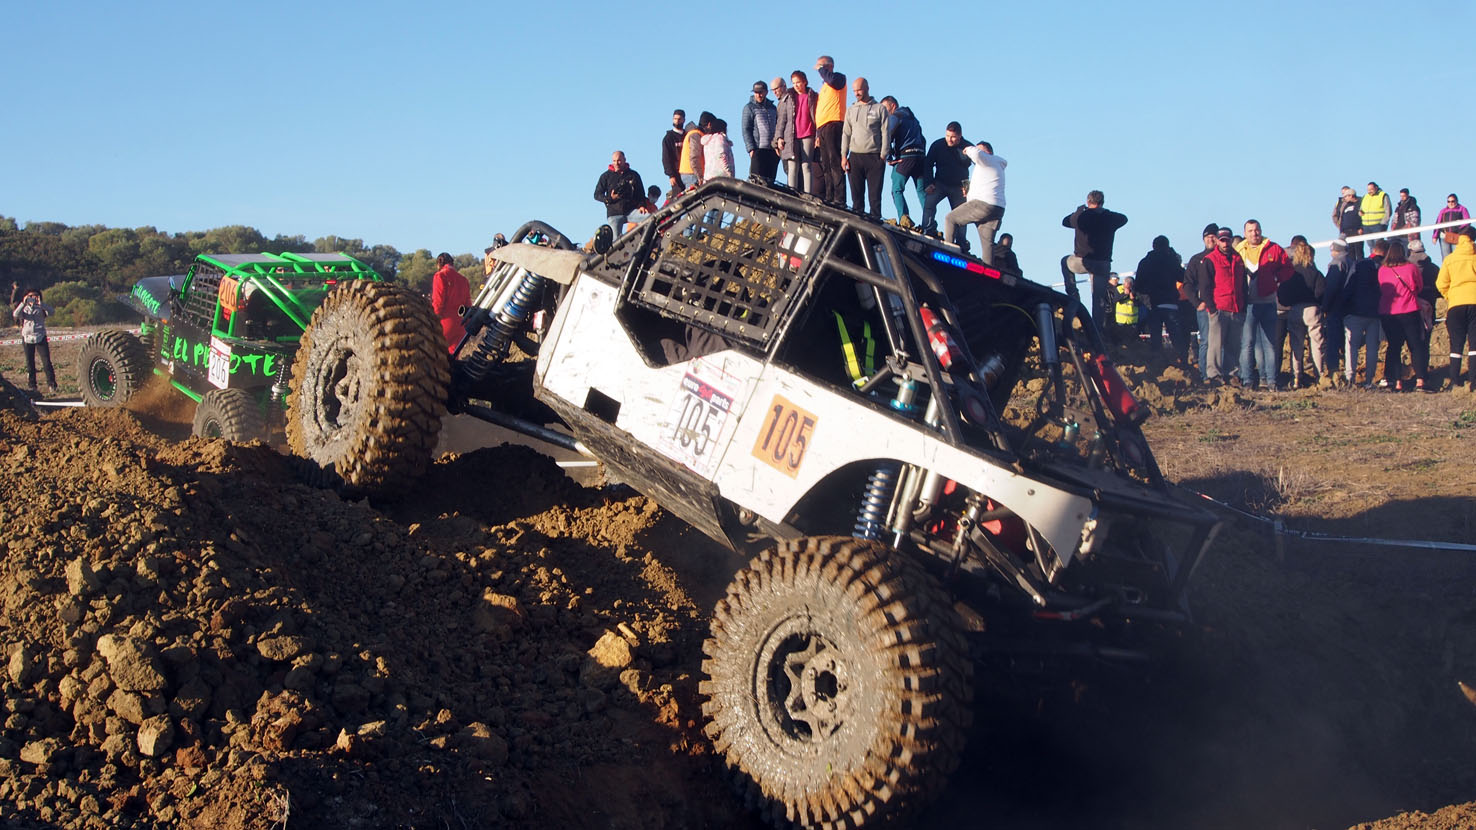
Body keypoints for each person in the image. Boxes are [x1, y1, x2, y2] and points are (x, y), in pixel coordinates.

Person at [1235, 219, 1292, 390]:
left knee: (1269, 343)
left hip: (1268, 302)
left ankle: (1271, 380)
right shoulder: (1239, 251)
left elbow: (1287, 269)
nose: (1254, 233)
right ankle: (1247, 380)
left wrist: (1276, 279)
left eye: (1257, 230)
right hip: (1248, 304)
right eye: (1250, 230)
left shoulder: (1273, 248)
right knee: (1247, 343)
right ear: (1245, 233)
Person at [1061, 191, 1128, 323]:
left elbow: (1065, 221)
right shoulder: (1110, 217)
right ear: (1102, 202)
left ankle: (1074, 297)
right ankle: (1097, 329)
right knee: (1098, 299)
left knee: (1065, 262)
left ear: (1088, 202)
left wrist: (1079, 210)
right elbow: (1124, 218)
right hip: (1102, 263)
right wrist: (1105, 213)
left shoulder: (1081, 216)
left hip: (1082, 261)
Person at [1376, 240, 1429, 391]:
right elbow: (1418, 286)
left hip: (1388, 313)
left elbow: (1381, 288)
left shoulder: (1382, 270)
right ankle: (1420, 381)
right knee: (1415, 346)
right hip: (1409, 310)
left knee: (1394, 347)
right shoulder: (1411, 268)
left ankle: (1396, 381)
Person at [943, 142, 1006, 264]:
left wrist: (968, 149)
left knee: (950, 219)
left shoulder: (987, 159)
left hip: (983, 204)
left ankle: (947, 254)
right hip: (997, 208)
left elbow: (977, 154)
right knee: (988, 244)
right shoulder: (996, 166)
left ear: (987, 152)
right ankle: (989, 273)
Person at [1200, 227, 1246, 385]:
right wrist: (1212, 309)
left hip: (1236, 307)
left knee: (1234, 344)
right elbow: (1205, 287)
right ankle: (1214, 375)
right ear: (1218, 241)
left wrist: (1243, 306)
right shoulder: (1210, 260)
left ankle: (1231, 373)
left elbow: (1243, 285)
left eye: (1228, 240)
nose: (1225, 243)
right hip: (1219, 308)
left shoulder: (1238, 259)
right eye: (1222, 240)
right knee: (1215, 344)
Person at [1280, 237, 1327, 387]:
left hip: (1295, 310)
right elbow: (1322, 292)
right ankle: (1320, 376)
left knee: (1296, 345)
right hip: (1312, 309)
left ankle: (1296, 378)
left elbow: (1283, 294)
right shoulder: (1316, 273)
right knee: (1317, 345)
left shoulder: (1291, 274)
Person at [1133, 235, 1186, 364]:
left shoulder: (1145, 262)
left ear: (1153, 246)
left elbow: (1138, 284)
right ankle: (1182, 361)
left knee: (1155, 336)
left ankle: (1158, 362)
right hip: (1170, 303)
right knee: (1175, 336)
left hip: (1153, 304)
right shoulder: (1171, 260)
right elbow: (1182, 276)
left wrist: (1145, 300)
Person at [840, 77, 888, 218]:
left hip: (874, 157)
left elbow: (886, 132)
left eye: (859, 90)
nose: (856, 93)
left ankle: (875, 230)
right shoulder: (851, 110)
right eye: (854, 91)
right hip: (855, 157)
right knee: (857, 200)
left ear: (867, 88)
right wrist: (844, 155)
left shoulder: (880, 108)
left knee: (874, 199)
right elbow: (846, 133)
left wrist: (883, 155)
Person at [1436, 228, 1476, 390]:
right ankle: (1474, 381)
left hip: (1456, 304)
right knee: (1474, 345)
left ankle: (1455, 380)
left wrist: (1451, 296)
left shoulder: (1450, 259)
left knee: (1456, 345)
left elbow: (1441, 283)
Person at [1341, 240, 1385, 388]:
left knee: (1352, 345)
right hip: (1375, 313)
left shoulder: (1359, 265)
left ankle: (1350, 378)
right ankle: (1369, 381)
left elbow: (1349, 286)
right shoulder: (1383, 268)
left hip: (1355, 311)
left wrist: (1343, 307)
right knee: (1372, 347)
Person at [880, 96, 926, 227]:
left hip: (905, 158)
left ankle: (904, 219)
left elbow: (886, 135)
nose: (884, 112)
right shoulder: (914, 119)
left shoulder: (895, 117)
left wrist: (888, 157)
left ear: (893, 105)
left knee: (896, 189)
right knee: (922, 191)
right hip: (920, 157)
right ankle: (929, 223)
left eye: (885, 108)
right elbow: (923, 139)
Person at [920, 122, 969, 242]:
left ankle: (961, 241)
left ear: (960, 135)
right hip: (940, 183)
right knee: (929, 205)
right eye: (947, 136)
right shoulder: (938, 145)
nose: (950, 139)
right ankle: (928, 230)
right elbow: (928, 164)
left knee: (961, 215)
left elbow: (976, 167)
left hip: (958, 187)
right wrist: (928, 183)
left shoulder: (968, 148)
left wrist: (967, 188)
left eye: (953, 137)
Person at [1184, 223, 1220, 378]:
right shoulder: (1197, 259)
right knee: (1206, 341)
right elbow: (1188, 284)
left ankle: (1219, 373)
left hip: (1222, 306)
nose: (1210, 239)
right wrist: (1197, 303)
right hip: (1204, 308)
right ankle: (1204, 374)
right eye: (1207, 236)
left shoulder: (1225, 257)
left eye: (1213, 236)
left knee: (1221, 342)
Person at [813, 56, 848, 205]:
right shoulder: (824, 87)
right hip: (823, 127)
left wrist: (822, 69)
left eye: (821, 67)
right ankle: (829, 196)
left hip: (834, 123)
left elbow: (832, 80)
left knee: (834, 161)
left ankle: (839, 198)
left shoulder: (839, 79)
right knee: (826, 164)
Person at [593, 151, 651, 237]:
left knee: (650, 218)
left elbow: (640, 193)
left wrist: (642, 205)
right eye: (614, 161)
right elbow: (597, 194)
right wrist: (609, 198)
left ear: (624, 160)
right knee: (616, 242)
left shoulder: (633, 175)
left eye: (619, 160)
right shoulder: (606, 176)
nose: (616, 163)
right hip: (614, 213)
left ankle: (646, 242)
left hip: (631, 211)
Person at [778, 70, 818, 195]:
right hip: (791, 136)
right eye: (794, 83)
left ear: (805, 82)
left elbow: (818, 116)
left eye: (798, 82)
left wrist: (818, 135)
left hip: (808, 134)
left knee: (806, 166)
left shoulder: (813, 96)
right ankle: (792, 193)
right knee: (792, 167)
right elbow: (782, 119)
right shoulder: (788, 97)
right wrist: (778, 137)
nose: (796, 85)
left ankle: (808, 194)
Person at [11, 288, 57, 393]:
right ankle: (32, 386)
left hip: (40, 336)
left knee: (46, 362)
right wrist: (23, 303)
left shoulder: (41, 308)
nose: (32, 299)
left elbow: (52, 312)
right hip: (27, 337)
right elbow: (15, 314)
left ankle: (52, 384)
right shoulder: (24, 308)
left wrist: (41, 304)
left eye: (35, 296)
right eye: (30, 296)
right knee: (30, 363)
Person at [1321, 238, 1353, 381]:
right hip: (1350, 308)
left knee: (1333, 340)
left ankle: (1333, 371)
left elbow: (1331, 288)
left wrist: (1325, 306)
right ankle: (1349, 371)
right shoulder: (1352, 263)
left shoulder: (1337, 263)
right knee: (1348, 342)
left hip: (1335, 308)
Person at [430, 253, 471, 354]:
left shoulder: (440, 276)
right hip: (460, 325)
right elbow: (468, 305)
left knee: (437, 357)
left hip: (444, 323)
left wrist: (432, 321)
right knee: (453, 359)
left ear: (439, 263)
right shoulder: (464, 280)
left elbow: (438, 303)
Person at [741, 81, 779, 183]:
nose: (758, 95)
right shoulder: (749, 108)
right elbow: (746, 129)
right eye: (756, 92)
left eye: (761, 92)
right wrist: (751, 149)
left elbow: (778, 126)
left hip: (772, 151)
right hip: (758, 150)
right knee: (756, 181)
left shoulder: (773, 108)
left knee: (770, 182)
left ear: (766, 92)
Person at [1332, 186, 1365, 259]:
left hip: (1357, 231)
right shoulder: (1346, 205)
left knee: (1358, 251)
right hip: (1346, 232)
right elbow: (1342, 218)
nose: (1344, 199)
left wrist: (1362, 228)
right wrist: (1341, 230)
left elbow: (1364, 216)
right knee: (1350, 253)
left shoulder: (1360, 203)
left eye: (1346, 196)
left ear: (1351, 195)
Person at [1435, 194, 1471, 259]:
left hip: (1456, 236)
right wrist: (1435, 236)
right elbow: (1438, 223)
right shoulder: (1443, 211)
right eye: (1448, 201)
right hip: (1444, 236)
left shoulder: (1462, 209)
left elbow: (1467, 223)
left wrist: (1460, 232)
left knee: (1457, 256)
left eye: (1452, 201)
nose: (1450, 203)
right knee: (1446, 258)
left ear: (1456, 201)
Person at [699, 118, 735, 182]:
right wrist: (728, 173)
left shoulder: (708, 141)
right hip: (721, 178)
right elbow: (721, 155)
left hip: (709, 177)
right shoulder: (719, 138)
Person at [661, 109, 686, 192]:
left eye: (679, 119)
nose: (677, 121)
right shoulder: (668, 138)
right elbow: (666, 158)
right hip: (676, 174)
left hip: (688, 172)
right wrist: (671, 175)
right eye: (675, 119)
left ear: (683, 120)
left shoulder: (688, 135)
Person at [678, 120, 703, 189]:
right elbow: (694, 156)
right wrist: (699, 176)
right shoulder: (696, 135)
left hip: (689, 172)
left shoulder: (692, 134)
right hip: (692, 173)